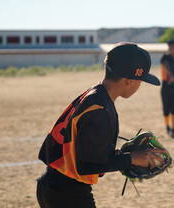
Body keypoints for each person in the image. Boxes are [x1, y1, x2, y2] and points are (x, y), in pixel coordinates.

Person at [37, 42, 166, 208]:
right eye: (140, 81)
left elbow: (85, 152)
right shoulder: (100, 109)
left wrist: (116, 157)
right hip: (68, 193)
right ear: (129, 81)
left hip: (54, 186)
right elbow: (88, 165)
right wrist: (131, 159)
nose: (139, 86)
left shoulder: (95, 95)